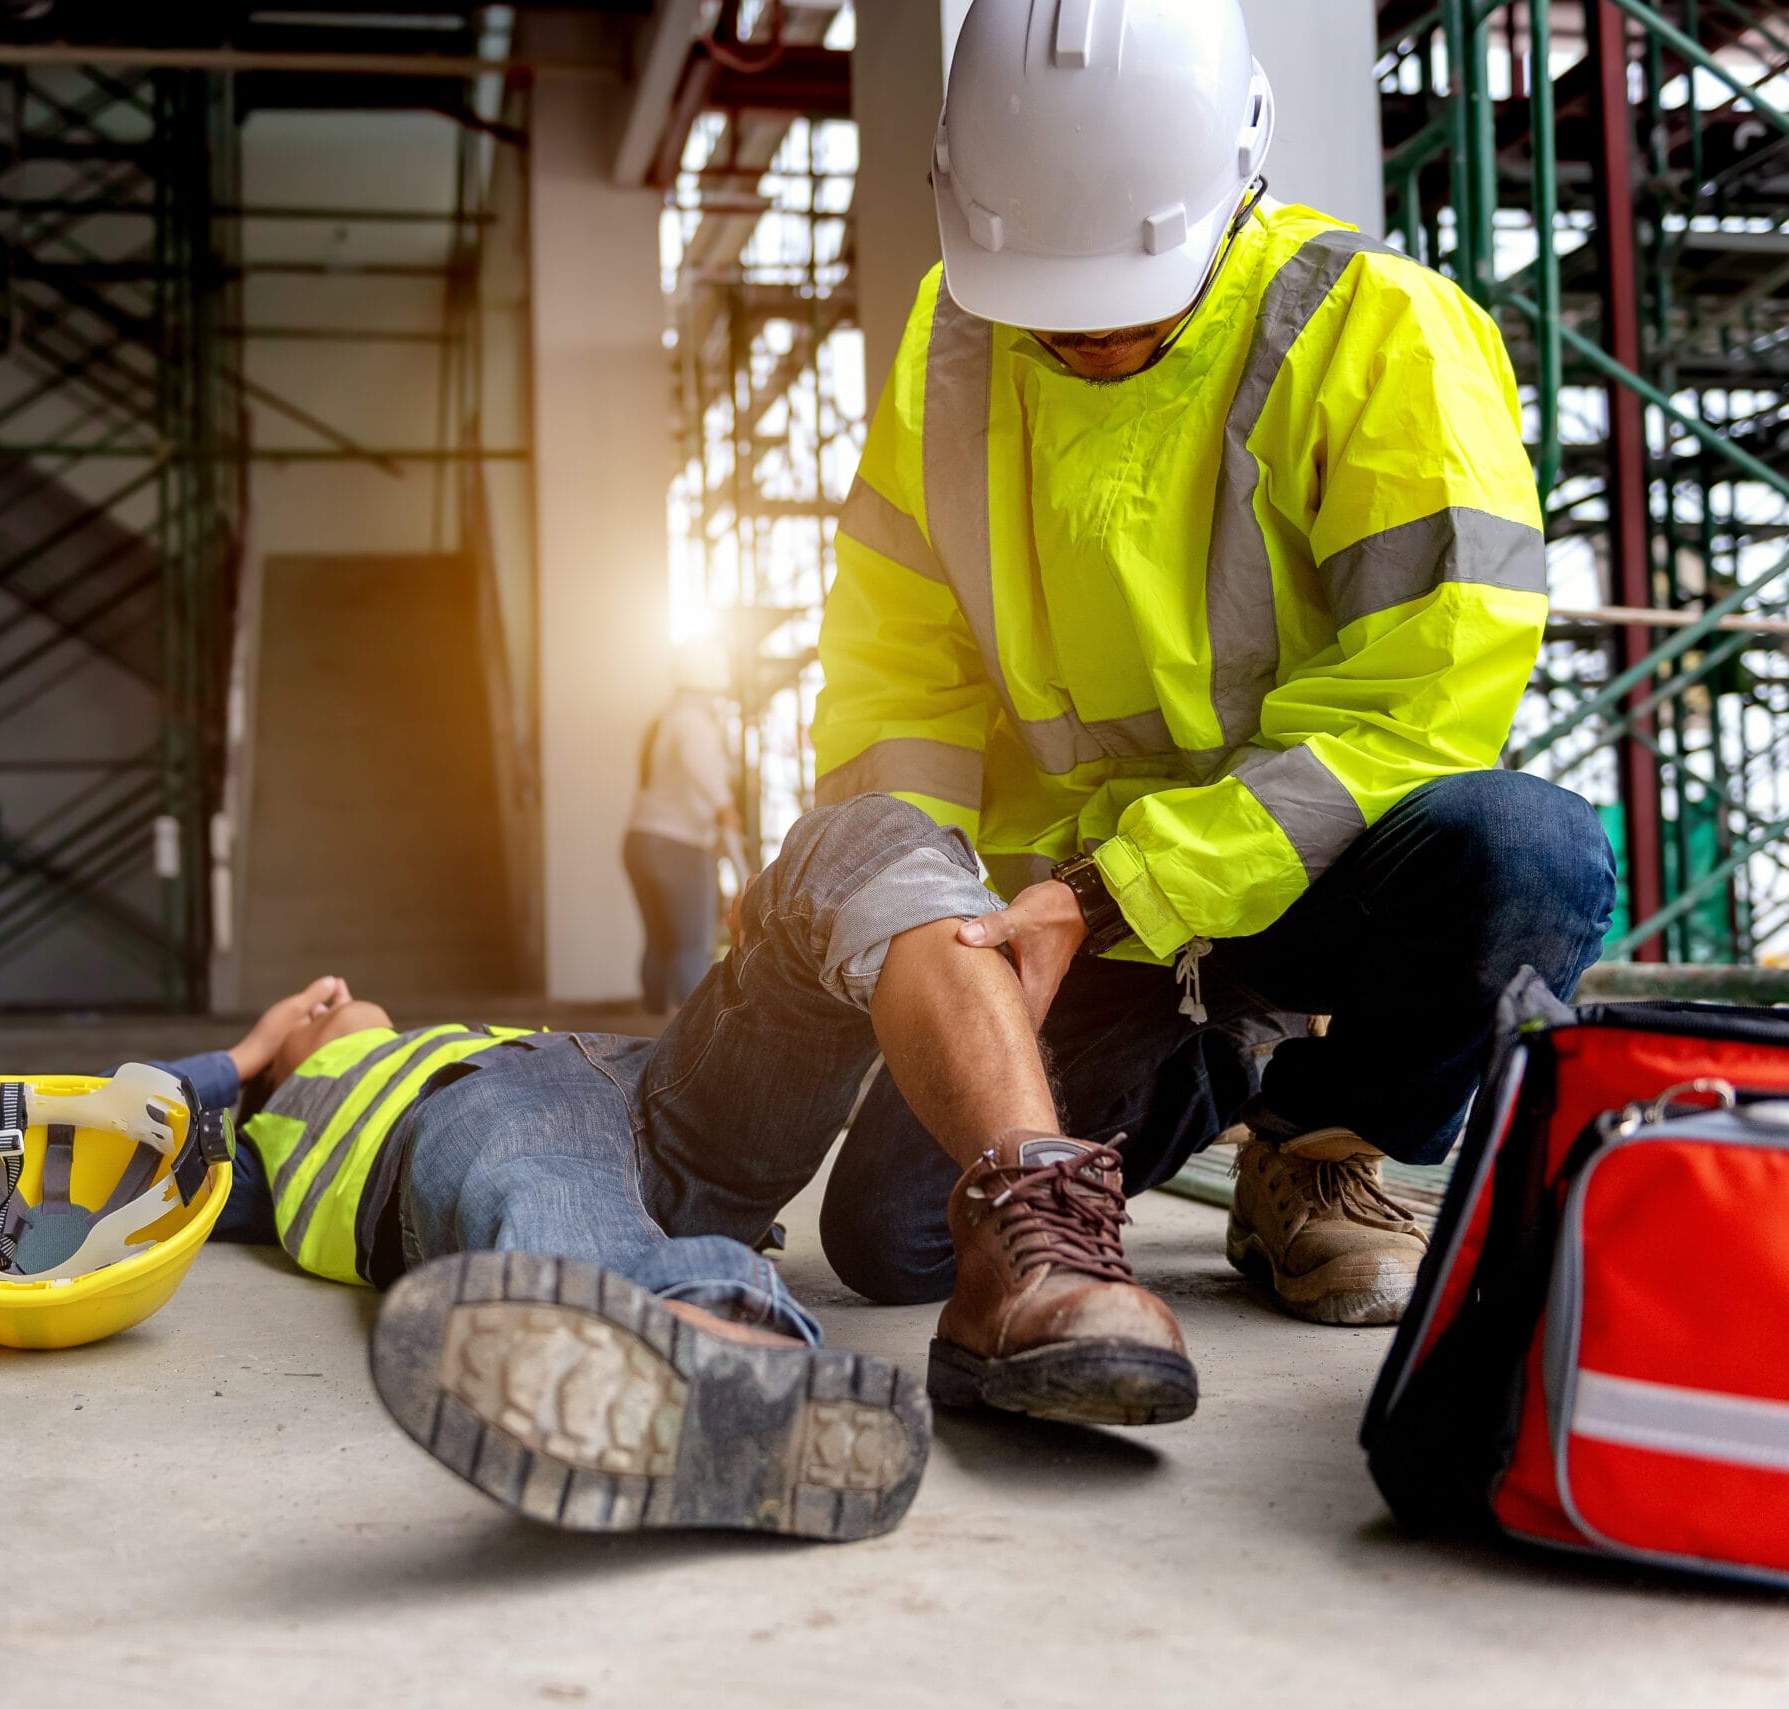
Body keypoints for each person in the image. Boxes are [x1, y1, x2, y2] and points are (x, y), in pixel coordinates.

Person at [626, 0, 1611, 1408]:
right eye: (1052, 306)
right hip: (1056, 916)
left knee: (1531, 852)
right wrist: (916, 918)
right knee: (901, 1240)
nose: (1085, 341)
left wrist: (1123, 888)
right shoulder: (950, 348)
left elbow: (1423, 704)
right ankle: (1212, 1066)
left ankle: (1326, 1144)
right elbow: (904, 676)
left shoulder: (1385, 335)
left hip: (1293, 878)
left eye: (1127, 303)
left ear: (1238, 181)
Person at [157, 977, 931, 1544]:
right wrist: (240, 1055)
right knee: (538, 1172)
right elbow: (110, 1133)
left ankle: (707, 1355)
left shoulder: (455, 1032)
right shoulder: (261, 1139)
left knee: (804, 917)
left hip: (635, 1089)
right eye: (310, 1005)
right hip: (494, 1121)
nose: (332, 995)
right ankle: (722, 1348)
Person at [622, 638, 741, 1012]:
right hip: (679, 846)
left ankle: (647, 1030)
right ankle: (696, 1043)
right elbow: (700, 764)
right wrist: (725, 806)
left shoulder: (665, 718)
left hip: (640, 840)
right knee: (691, 946)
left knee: (660, 943)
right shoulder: (693, 721)